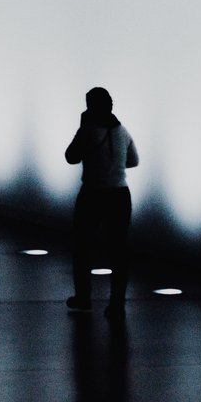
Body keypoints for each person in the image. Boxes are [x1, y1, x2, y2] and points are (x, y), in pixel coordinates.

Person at [64, 87, 139, 318]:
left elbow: (70, 156)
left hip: (93, 193)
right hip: (120, 193)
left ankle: (84, 297)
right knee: (118, 250)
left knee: (83, 246)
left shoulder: (88, 131)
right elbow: (133, 161)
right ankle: (117, 303)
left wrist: (82, 128)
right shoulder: (122, 131)